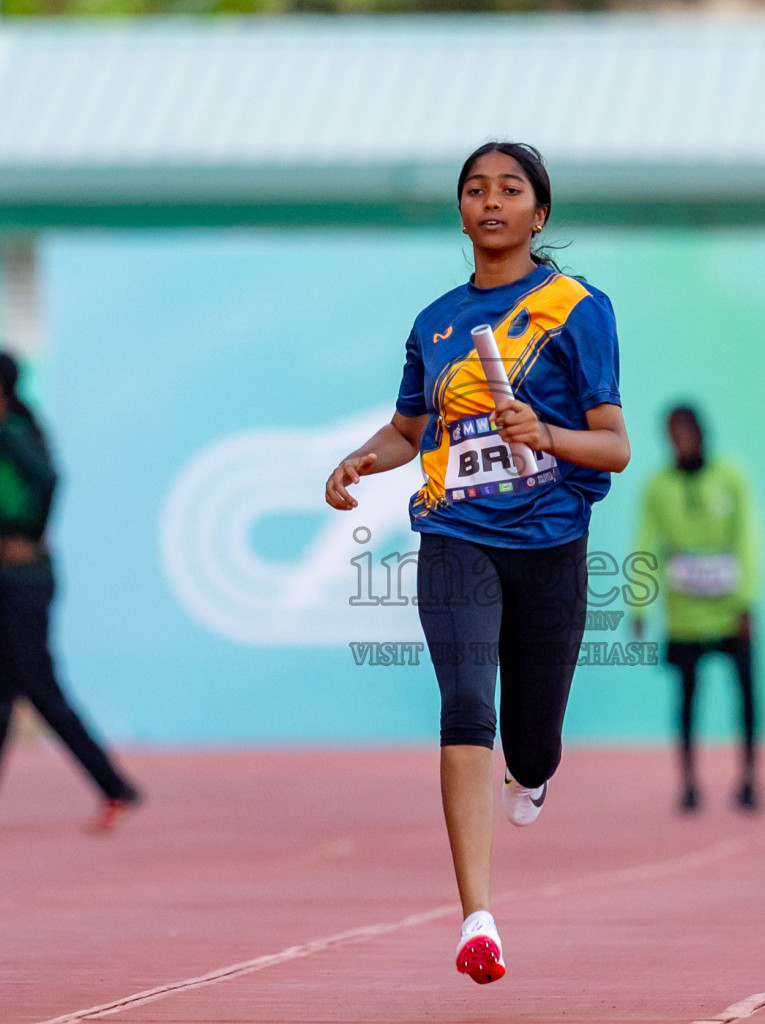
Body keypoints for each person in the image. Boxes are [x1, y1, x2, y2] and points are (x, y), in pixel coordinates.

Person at [324, 142, 627, 985]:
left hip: (551, 545)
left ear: (540, 212)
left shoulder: (578, 309)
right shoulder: (436, 322)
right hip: (455, 535)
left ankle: (531, 775)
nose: (491, 201)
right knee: (465, 704)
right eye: (474, 190)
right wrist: (359, 459)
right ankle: (477, 919)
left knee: (531, 744)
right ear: (460, 210)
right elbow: (410, 431)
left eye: (510, 189)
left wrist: (548, 435)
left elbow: (616, 446)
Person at [0, 353, 140, 834]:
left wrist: (27, 537)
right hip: (13, 580)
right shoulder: (11, 429)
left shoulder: (17, 433)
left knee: (40, 689)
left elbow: (48, 478)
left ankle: (113, 784)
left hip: (25, 581)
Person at [631, 404, 760, 813]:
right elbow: (645, 544)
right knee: (686, 699)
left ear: (702, 432)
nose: (680, 441)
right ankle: (688, 784)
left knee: (746, 697)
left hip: (730, 611)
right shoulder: (657, 487)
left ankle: (749, 780)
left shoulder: (731, 477)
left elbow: (748, 540)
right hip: (684, 614)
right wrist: (638, 603)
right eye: (672, 434)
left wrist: (746, 601)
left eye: (686, 432)